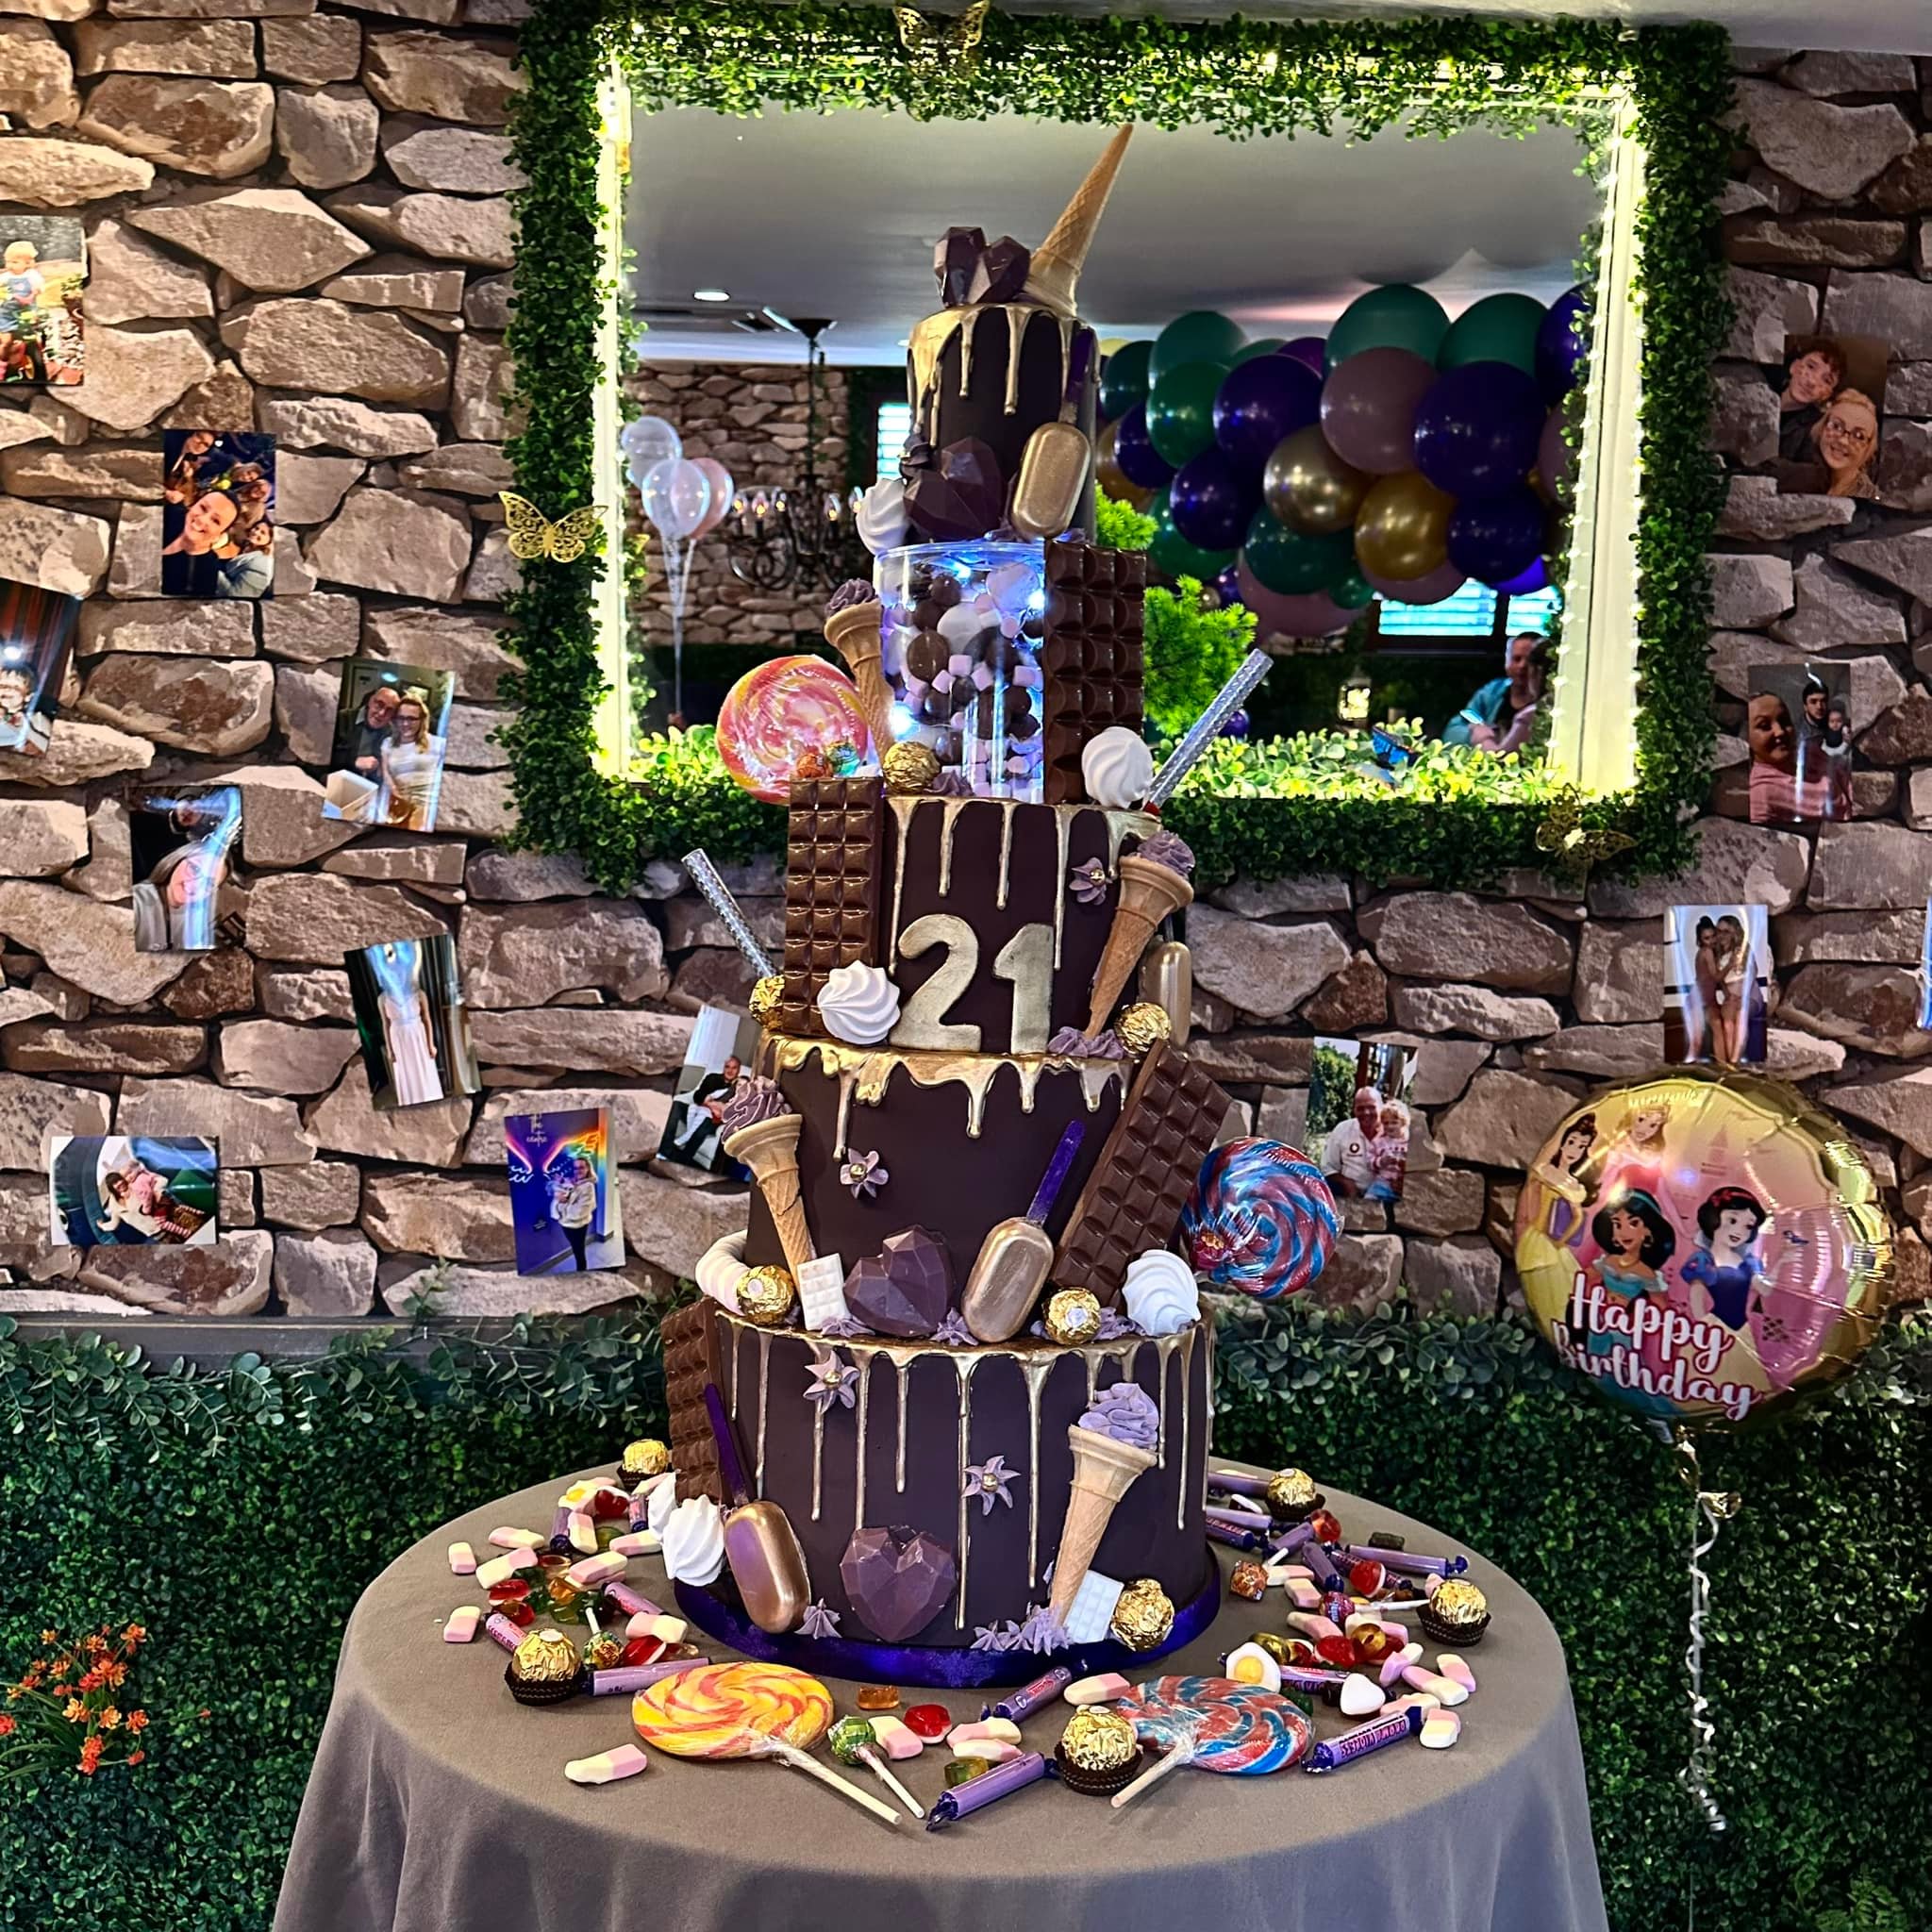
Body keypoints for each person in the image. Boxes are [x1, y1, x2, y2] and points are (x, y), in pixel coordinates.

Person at [1584, 1190, 1677, 1357]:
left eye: (1633, 1223)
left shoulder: (1646, 1273)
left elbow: (1662, 1311)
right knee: (1595, 1357)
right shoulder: (1608, 1261)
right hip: (1599, 1325)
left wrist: (1634, 1308)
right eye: (1617, 1224)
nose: (1624, 1232)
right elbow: (1583, 1279)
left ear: (1648, 1231)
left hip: (1625, 1331)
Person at [1680, 1185, 1769, 1332]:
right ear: (1713, 1217)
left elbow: (1765, 1290)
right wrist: (1703, 1327)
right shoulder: (1703, 1261)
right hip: (1714, 1326)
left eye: (1748, 1226)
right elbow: (1696, 1297)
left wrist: (1782, 1260)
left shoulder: (1749, 1263)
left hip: (1742, 1329)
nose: (1739, 1231)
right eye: (1733, 1220)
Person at [1441, 632, 1545, 754]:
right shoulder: (1494, 691)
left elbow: (1501, 758)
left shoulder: (1544, 705)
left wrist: (1484, 739)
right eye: (1516, 659)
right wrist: (1475, 733)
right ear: (1507, 662)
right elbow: (1455, 729)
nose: (1522, 666)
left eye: (1529, 661)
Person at [1747, 690, 1841, 824]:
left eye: (1784, 721)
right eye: (1764, 726)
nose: (1779, 732)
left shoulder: (1811, 751)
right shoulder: (1761, 793)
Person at [132, 841, 231, 953]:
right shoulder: (135, 902)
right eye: (195, 869)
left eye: (209, 883)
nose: (196, 885)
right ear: (176, 861)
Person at [376, 946, 442, 1108]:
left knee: (424, 1070)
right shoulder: (383, 998)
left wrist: (431, 1044)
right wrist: (390, 1050)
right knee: (406, 1074)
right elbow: (386, 1024)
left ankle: (430, 1100)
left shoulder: (419, 994)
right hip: (398, 1038)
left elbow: (427, 1019)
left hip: (418, 1035)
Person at [325, 684, 401, 823]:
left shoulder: (391, 734)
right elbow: (320, 759)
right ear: (370, 701)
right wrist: (353, 761)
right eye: (379, 705)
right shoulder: (342, 719)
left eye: (389, 711)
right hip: (334, 789)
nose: (381, 713)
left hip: (369, 799)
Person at [378, 692, 447, 832]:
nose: (405, 723)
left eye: (411, 719)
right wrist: (393, 790)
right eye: (401, 718)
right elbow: (386, 773)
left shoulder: (439, 744)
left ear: (422, 720)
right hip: (398, 805)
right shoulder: (387, 743)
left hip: (426, 806)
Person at [160, 488, 241, 596]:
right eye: (203, 508)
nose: (202, 519)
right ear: (193, 505)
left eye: (216, 521)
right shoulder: (173, 514)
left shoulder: (204, 576)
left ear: (219, 535)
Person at [1775, 339, 1845, 463]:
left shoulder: (1814, 432)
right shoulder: (1760, 387)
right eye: (1811, 366)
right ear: (1794, 367)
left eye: (1826, 380)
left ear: (1826, 395)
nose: (1812, 382)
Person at [1817, 388, 1880, 501]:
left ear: (1868, 448)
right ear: (1822, 428)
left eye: (1859, 436)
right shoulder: (1793, 471)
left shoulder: (1870, 501)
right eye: (1836, 426)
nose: (1843, 441)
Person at [1319, 1085, 1382, 1198]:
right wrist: (1345, 1182)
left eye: (1371, 1107)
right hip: (1347, 1192)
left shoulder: (1395, 1134)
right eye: (1360, 1108)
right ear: (1354, 1110)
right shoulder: (1343, 1129)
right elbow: (1327, 1167)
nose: (1366, 1112)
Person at [547, 1153, 600, 1271]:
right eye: (576, 1168)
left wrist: (561, 1204)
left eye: (581, 1167)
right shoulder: (574, 1181)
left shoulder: (588, 1187)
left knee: (578, 1251)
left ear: (588, 1169)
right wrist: (560, 1183)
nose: (578, 1171)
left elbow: (579, 1212)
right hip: (565, 1223)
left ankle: (581, 1271)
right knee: (576, 1248)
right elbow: (565, 1184)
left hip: (577, 1225)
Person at [1364, 1095, 1410, 1203]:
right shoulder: (1379, 1141)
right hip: (1382, 1183)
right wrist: (1381, 1161)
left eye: (1394, 1122)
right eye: (1386, 1123)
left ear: (1403, 1122)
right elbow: (1369, 1161)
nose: (1389, 1126)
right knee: (1369, 1199)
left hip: (1403, 1184)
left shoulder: (1409, 1142)